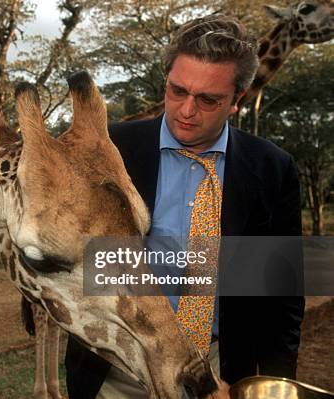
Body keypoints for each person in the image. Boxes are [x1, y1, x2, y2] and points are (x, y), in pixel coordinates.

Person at [65, 15, 305, 398]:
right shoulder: (109, 150)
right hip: (115, 371)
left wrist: (276, 386)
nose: (186, 110)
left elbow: (281, 295)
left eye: (208, 99)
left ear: (236, 101)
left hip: (217, 376)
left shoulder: (272, 168)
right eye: (177, 91)